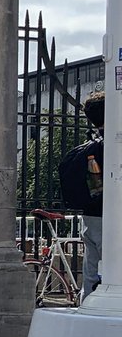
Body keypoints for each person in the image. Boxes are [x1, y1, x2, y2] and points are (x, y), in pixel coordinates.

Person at [79, 90, 105, 301]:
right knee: (112, 266)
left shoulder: (91, 145)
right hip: (109, 215)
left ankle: (87, 305)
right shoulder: (111, 145)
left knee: (91, 268)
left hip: (89, 215)